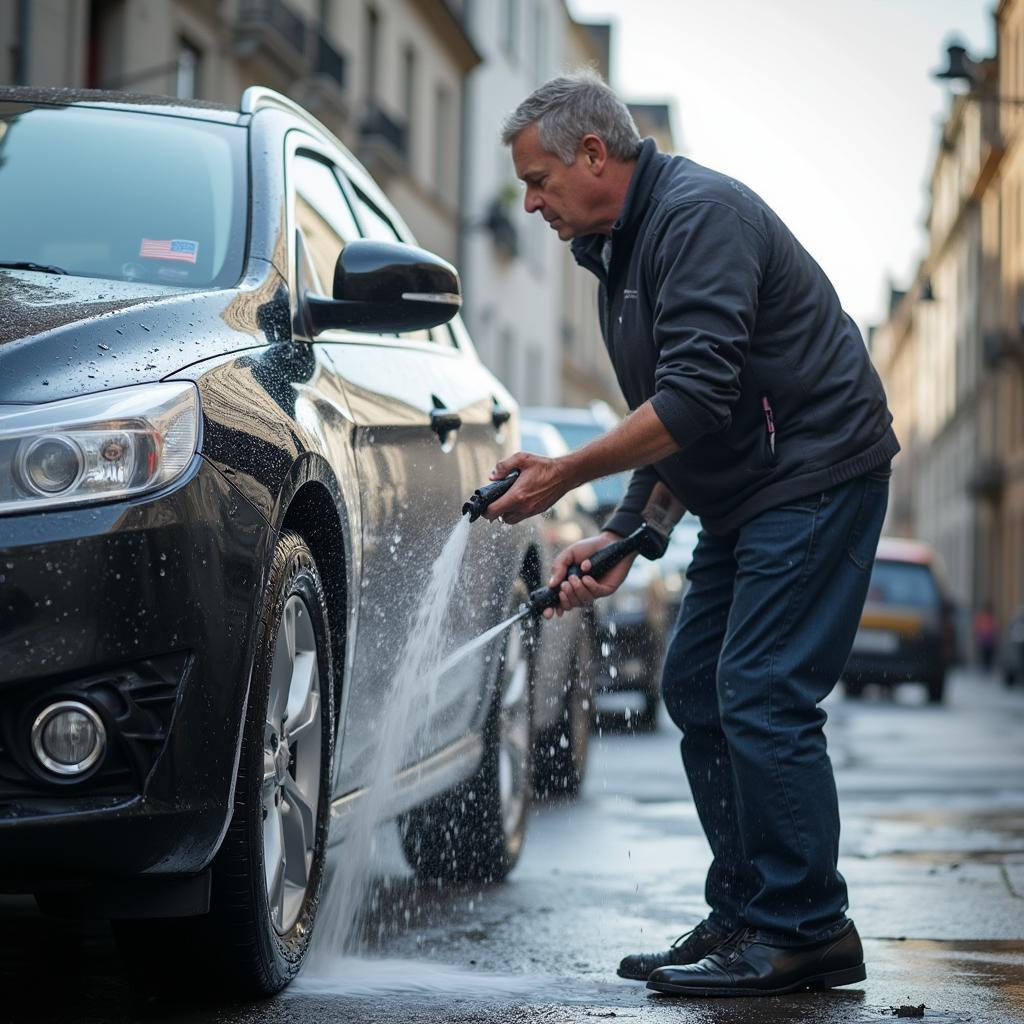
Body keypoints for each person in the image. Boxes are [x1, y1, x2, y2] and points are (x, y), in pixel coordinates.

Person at [484, 70, 898, 998]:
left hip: (817, 471)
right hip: (752, 491)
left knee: (759, 688)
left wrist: (565, 475)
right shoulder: (618, 251)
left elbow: (700, 396)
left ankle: (806, 929)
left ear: (594, 154)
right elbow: (681, 422)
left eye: (538, 178)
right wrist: (630, 533)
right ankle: (752, 911)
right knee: (694, 684)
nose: (531, 202)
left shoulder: (698, 217)